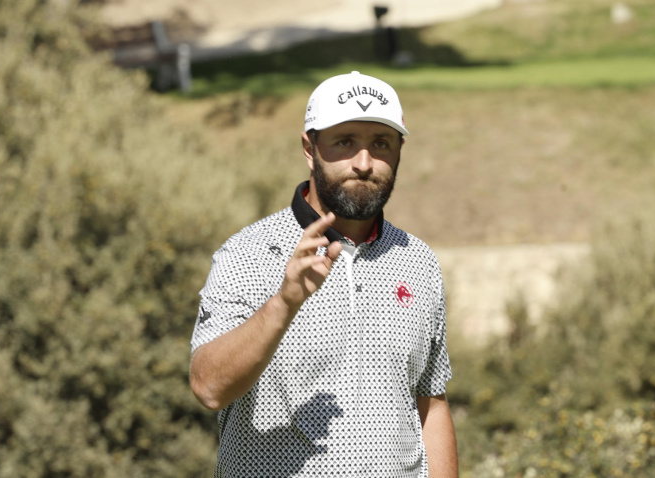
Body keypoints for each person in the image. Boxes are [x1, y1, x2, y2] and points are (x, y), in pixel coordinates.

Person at [190, 71, 458, 478]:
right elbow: (208, 388)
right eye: (345, 142)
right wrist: (284, 304)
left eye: (380, 144)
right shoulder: (248, 253)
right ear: (309, 148)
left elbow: (432, 406)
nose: (364, 163)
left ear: (400, 150)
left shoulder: (418, 261)